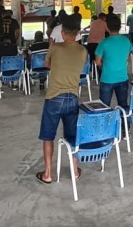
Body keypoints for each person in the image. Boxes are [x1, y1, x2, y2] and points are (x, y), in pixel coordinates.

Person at [36, 18, 85, 185]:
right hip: (73, 97)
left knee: (48, 136)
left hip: (54, 97)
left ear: (63, 33)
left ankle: (48, 174)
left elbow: (47, 63)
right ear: (78, 33)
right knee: (71, 136)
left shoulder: (55, 47)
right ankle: (74, 170)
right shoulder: (82, 51)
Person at [95, 15, 131, 108]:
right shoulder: (126, 40)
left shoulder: (104, 42)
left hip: (107, 78)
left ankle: (107, 122)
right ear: (120, 27)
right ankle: (124, 122)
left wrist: (105, 65)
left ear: (107, 27)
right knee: (123, 105)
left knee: (104, 106)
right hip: (123, 77)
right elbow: (127, 57)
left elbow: (97, 62)